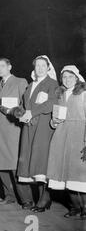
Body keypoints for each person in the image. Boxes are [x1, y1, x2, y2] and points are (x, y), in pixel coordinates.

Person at [15, 55, 59, 212]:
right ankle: (36, 199)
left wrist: (31, 112)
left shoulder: (52, 84)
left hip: (42, 127)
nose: (39, 68)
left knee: (41, 162)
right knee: (29, 162)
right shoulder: (30, 85)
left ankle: (44, 199)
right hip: (28, 126)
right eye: (37, 66)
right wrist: (17, 112)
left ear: (48, 67)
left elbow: (52, 103)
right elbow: (23, 105)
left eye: (43, 65)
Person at [46, 65, 86, 218]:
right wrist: (54, 122)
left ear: (77, 78)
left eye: (70, 77)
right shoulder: (60, 95)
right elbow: (55, 117)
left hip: (79, 136)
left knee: (80, 174)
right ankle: (75, 207)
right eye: (64, 77)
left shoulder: (83, 94)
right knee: (66, 174)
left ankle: (85, 208)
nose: (67, 80)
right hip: (62, 135)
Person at [0, 58, 28, 205]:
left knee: (14, 165)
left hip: (12, 130)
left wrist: (13, 112)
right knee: (1, 164)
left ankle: (26, 199)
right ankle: (9, 196)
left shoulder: (20, 82)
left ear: (10, 67)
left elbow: (25, 106)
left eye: (2, 66)